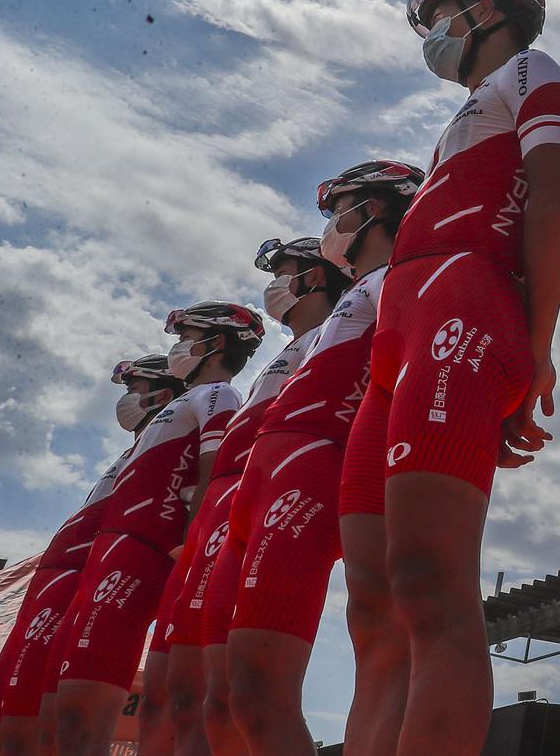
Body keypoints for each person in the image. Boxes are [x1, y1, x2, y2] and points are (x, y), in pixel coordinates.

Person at [344, 0, 560, 755]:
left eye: (436, 15)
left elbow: (553, 196)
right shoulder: (468, 110)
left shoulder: (528, 67)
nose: (430, 37)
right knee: (374, 603)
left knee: (428, 578)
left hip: (461, 300)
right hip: (399, 329)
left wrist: (536, 347)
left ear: (485, 7)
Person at [226, 170, 416, 756]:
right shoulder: (354, 297)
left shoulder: (395, 277)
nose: (330, 228)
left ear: (376, 211)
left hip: (316, 459)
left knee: (259, 688)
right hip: (271, 466)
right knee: (236, 693)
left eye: (339, 212)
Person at [48, 303, 261, 756]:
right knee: (68, 709)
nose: (178, 349)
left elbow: (215, 469)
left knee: (99, 707)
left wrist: (195, 540)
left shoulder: (219, 395)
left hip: (149, 549)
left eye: (187, 337)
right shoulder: (182, 403)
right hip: (111, 550)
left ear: (216, 343)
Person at [166, 238, 348, 756]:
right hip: (237, 504)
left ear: (314, 279)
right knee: (212, 698)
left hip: (280, 490)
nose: (274, 284)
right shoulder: (288, 351)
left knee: (254, 691)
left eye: (285, 271)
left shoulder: (337, 332)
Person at [0, 357, 178, 756]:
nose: (127, 399)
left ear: (162, 393)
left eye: (135, 389)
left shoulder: (178, 434)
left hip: (94, 575)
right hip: (59, 579)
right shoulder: (131, 453)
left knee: (59, 728)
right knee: (11, 733)